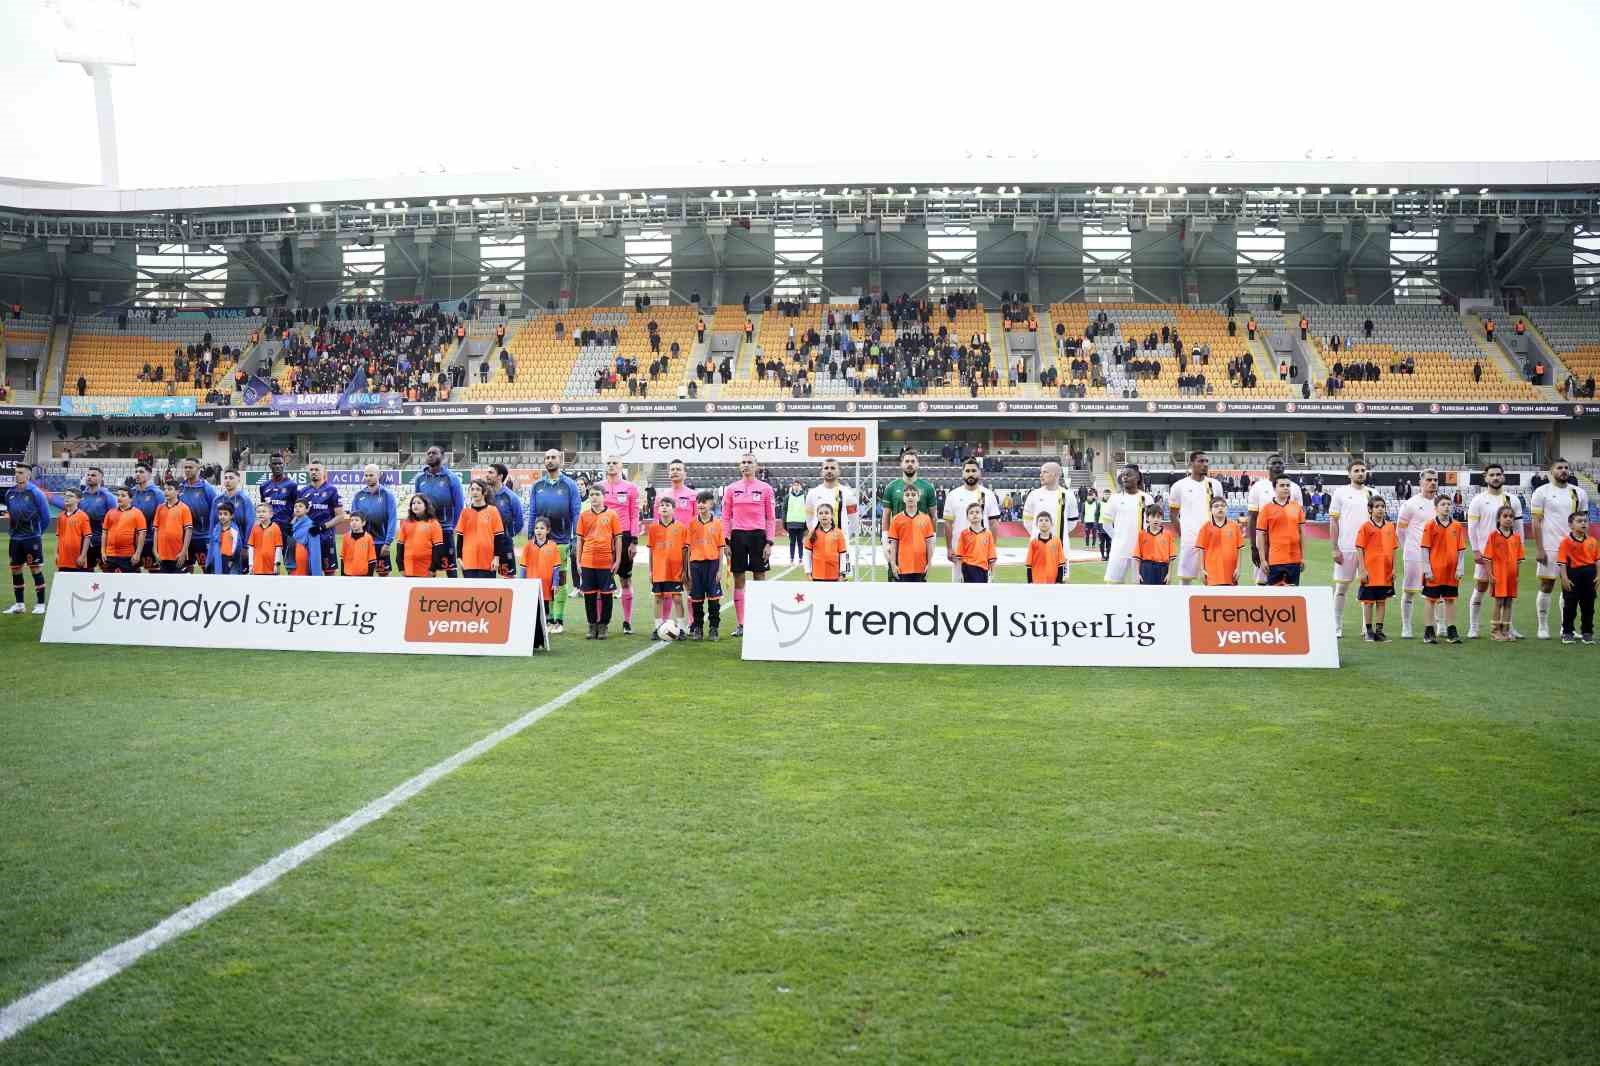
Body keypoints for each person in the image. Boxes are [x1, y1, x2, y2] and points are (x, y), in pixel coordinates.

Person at [1529, 458, 1590, 640]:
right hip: (1550, 547)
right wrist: (1539, 549)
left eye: (1566, 468)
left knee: (1569, 588)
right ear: (1551, 471)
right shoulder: (1541, 492)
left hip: (1574, 548)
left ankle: (1566, 628)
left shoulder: (1579, 493)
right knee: (1547, 585)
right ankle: (1543, 626)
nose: (1563, 470)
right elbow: (1536, 522)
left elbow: (1583, 522)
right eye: (1559, 468)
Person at [1466, 463, 1524, 639]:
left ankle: (1508, 627)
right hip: (1487, 555)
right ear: (1486, 478)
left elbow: (1519, 528)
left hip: (1508, 557)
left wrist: (1518, 551)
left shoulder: (1513, 500)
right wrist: (1476, 550)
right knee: (1480, 587)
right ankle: (1474, 627)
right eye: (1491, 475)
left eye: (1498, 474)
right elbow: (1472, 528)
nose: (1495, 477)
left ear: (1503, 477)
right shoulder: (1478, 500)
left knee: (1507, 593)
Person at [528, 448, 582, 634]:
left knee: (559, 579)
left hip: (562, 541)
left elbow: (576, 512)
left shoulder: (569, 485)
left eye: (553, 457)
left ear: (561, 461)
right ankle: (548, 618)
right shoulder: (537, 486)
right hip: (540, 542)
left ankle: (558, 620)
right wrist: (531, 536)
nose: (549, 460)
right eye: (547, 458)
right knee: (544, 579)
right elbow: (533, 513)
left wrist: (576, 538)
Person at [721, 452, 776, 634]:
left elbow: (770, 518)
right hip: (737, 536)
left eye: (749, 462)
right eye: (743, 462)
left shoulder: (766, 489)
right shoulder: (731, 489)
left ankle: (760, 622)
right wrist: (726, 541)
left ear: (756, 466)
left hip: (758, 537)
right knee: (739, 579)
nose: (746, 465)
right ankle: (741, 624)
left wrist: (769, 542)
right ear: (740, 466)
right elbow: (725, 517)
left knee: (759, 577)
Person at [1327, 459, 1379, 637]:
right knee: (1342, 588)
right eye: (1356, 470)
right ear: (1349, 474)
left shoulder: (1373, 493)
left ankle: (1367, 627)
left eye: (1363, 470)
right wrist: (1335, 548)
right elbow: (1333, 522)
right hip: (1346, 547)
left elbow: (1377, 523)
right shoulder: (1340, 493)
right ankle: (1336, 626)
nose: (1360, 473)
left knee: (1367, 589)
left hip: (1369, 550)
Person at [1395, 469, 1443, 639]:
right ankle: (1406, 627)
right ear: (1421, 482)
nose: (1433, 482)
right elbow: (1400, 530)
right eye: (1429, 480)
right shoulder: (1410, 504)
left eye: (1435, 480)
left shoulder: (1441, 503)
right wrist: (1407, 548)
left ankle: (1441, 625)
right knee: (1409, 591)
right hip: (1414, 554)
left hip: (1436, 555)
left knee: (1438, 592)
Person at [1167, 451, 1224, 587]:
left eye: (1206, 461)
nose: (1205, 464)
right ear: (1191, 464)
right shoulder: (1179, 486)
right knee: (1186, 578)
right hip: (1190, 538)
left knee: (1211, 576)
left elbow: (1220, 510)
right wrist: (1183, 534)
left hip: (1212, 538)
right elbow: (1173, 514)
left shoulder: (1215, 485)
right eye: (1201, 461)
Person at [574, 484, 622, 640]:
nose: (594, 497)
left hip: (606, 561)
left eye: (597, 494)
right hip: (587, 561)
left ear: (604, 496)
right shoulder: (584, 515)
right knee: (589, 595)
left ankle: (603, 625)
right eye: (592, 495)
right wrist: (578, 561)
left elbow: (618, 539)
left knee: (607, 595)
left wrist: (618, 560)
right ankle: (592, 625)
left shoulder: (612, 515)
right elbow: (579, 540)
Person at [601, 456, 642, 633]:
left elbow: (634, 515)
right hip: (603, 538)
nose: (611, 466)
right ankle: (601, 622)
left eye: (614, 463)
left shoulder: (630, 488)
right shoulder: (599, 487)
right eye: (608, 463)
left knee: (625, 580)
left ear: (621, 466)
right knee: (602, 581)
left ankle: (627, 622)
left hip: (624, 538)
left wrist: (634, 541)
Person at [1246, 455, 1303, 585]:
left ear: (1284, 466)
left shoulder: (1295, 488)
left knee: (1288, 583)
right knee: (1262, 580)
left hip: (1288, 544)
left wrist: (1300, 551)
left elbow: (1299, 522)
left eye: (1280, 463)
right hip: (1264, 542)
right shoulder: (1258, 487)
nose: (1277, 466)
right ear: (1267, 466)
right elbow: (1253, 518)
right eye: (1274, 463)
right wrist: (1254, 547)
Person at [1419, 494, 1467, 644]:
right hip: (1434, 571)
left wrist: (1460, 568)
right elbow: (1425, 549)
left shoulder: (1457, 526)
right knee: (1430, 600)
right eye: (1443, 504)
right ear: (1436, 508)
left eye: (1448, 504)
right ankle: (1429, 631)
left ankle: (1451, 631)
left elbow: (1461, 549)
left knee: (1450, 600)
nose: (1446, 507)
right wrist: (1427, 569)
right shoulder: (1430, 525)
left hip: (1451, 572)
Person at [943, 458, 1001, 580]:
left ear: (979, 473)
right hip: (959, 552)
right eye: (967, 471)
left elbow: (994, 523)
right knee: (959, 586)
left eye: (974, 471)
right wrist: (949, 548)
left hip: (982, 552)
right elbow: (948, 524)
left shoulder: (988, 494)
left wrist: (992, 548)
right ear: (962, 473)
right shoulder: (953, 495)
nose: (970, 474)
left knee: (982, 587)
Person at [881, 449, 939, 570]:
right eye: (907, 461)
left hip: (920, 542)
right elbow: (886, 515)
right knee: (896, 575)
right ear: (901, 464)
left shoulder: (928, 488)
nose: (910, 464)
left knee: (918, 578)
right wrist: (885, 538)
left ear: (918, 464)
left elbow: (933, 516)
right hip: (897, 541)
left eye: (913, 461)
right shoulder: (891, 487)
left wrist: (932, 539)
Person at [414, 446, 465, 578]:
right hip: (425, 529)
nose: (430, 455)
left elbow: (459, 504)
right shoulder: (420, 479)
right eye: (428, 453)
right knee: (427, 567)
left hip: (445, 529)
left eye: (434, 453)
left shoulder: (451, 478)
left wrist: (455, 527)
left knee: (450, 567)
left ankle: (452, 590)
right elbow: (417, 503)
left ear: (442, 457)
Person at [1355, 496, 1398, 642]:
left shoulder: (1390, 527)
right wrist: (1362, 569)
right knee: (1368, 602)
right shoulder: (1365, 527)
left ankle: (1379, 631)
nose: (1380, 509)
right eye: (1377, 506)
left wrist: (1394, 568)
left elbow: (1394, 549)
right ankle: (1368, 631)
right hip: (1371, 571)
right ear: (1370, 509)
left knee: (1382, 601)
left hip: (1385, 572)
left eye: (1382, 506)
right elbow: (1359, 548)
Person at [1480, 505, 1525, 641]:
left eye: (1511, 516)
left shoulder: (1516, 537)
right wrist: (1490, 575)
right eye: (1505, 516)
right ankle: (1495, 631)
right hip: (1499, 575)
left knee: (1509, 602)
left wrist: (1517, 576)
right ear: (1498, 519)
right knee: (1499, 602)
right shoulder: (1493, 536)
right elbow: (1487, 558)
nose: (1508, 519)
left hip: (1511, 576)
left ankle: (1505, 630)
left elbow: (1518, 560)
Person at [646, 495, 689, 638]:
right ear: (658, 509)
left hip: (675, 570)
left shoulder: (681, 528)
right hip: (659, 570)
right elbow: (651, 551)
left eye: (667, 505)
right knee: (658, 598)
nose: (664, 507)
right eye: (662, 505)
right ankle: (658, 628)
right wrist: (651, 571)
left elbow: (685, 551)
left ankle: (681, 629)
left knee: (677, 599)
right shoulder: (653, 528)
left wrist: (685, 570)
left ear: (673, 509)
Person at [687, 489, 727, 641]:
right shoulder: (692, 523)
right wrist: (688, 570)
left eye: (704, 502)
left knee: (713, 599)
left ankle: (713, 628)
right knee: (696, 599)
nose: (701, 505)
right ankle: (697, 628)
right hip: (696, 565)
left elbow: (720, 548)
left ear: (711, 504)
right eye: (699, 502)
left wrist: (720, 570)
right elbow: (688, 548)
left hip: (712, 565)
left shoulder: (717, 523)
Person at [1102, 465, 1151, 584]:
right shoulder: (1114, 499)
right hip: (1119, 549)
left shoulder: (1147, 498)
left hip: (1141, 550)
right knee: (1113, 584)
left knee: (1140, 585)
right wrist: (1118, 538)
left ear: (1137, 477)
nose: (1125, 477)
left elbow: (1151, 525)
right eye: (1123, 475)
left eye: (1128, 475)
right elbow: (1106, 524)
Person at [1021, 461, 1078, 561]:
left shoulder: (1068, 495)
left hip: (1061, 551)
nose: (1041, 475)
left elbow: (1072, 522)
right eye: (1041, 472)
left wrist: (1059, 532)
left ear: (1055, 475)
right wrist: (1039, 533)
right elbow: (1027, 521)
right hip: (1037, 550)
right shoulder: (1033, 495)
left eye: (1045, 472)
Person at [1255, 476, 1305, 586]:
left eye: (1288, 485)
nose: (1286, 488)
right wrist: (1263, 560)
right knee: (1275, 594)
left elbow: (1301, 533)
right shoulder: (1266, 509)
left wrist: (1303, 557)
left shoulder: (1297, 507)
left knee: (1293, 594)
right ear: (1274, 488)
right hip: (1275, 560)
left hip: (1294, 560)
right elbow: (1260, 535)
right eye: (1282, 485)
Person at [349, 465, 398, 575]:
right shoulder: (358, 496)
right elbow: (353, 519)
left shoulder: (387, 495)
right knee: (363, 574)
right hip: (362, 542)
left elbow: (392, 519)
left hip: (381, 543)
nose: (368, 478)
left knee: (383, 574)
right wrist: (352, 540)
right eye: (366, 475)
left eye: (371, 475)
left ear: (379, 475)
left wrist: (388, 543)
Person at [1557, 511, 1597, 644]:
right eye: (1579, 521)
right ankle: (1567, 632)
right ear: (1571, 525)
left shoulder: (1593, 541)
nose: (1583, 523)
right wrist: (1564, 578)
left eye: (1585, 521)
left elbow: (1597, 560)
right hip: (1573, 575)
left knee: (1588, 606)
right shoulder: (1566, 542)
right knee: (1570, 605)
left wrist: (1598, 575)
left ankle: (1587, 633)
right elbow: (1562, 562)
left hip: (1590, 575)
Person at [299, 460, 345, 576]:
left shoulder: (332, 490)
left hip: (326, 538)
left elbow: (340, 516)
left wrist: (322, 527)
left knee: (329, 572)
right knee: (309, 572)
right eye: (311, 470)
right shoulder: (303, 492)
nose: (314, 472)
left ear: (324, 472)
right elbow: (298, 515)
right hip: (309, 538)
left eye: (317, 470)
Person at [456, 479, 509, 579]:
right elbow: (460, 537)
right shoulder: (465, 512)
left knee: (487, 589)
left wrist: (496, 558)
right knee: (471, 589)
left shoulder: (493, 511)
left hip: (487, 561)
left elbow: (498, 537)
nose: (474, 492)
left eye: (478, 489)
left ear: (484, 492)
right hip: (469, 560)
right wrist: (459, 558)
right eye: (472, 489)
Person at [176, 458, 217, 574]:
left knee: (208, 571)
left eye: (191, 467)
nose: (188, 470)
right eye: (186, 467)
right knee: (183, 570)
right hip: (185, 539)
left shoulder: (207, 489)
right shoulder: (180, 488)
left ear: (198, 469)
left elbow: (215, 512)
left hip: (203, 538)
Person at [887, 485, 935, 582]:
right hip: (903, 567)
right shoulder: (896, 519)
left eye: (913, 495)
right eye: (907, 495)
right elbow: (893, 544)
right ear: (903, 498)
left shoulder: (926, 519)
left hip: (921, 566)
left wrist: (929, 563)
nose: (910, 497)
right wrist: (893, 564)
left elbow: (929, 543)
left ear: (918, 498)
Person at [484, 463, 524, 576]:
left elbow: (519, 522)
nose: (487, 475)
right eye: (487, 472)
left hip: (505, 544)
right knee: (486, 578)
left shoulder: (511, 497)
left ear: (500, 476)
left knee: (508, 577)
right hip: (486, 543)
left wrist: (507, 535)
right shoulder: (484, 495)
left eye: (491, 472)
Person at [521, 517, 564, 619]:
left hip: (546, 586)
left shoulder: (553, 546)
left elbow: (556, 568)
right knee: (532, 610)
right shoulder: (528, 546)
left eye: (542, 528)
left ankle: (546, 625)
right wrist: (521, 583)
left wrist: (555, 583)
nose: (538, 530)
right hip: (531, 585)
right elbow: (523, 567)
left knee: (544, 610)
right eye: (536, 528)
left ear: (548, 530)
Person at [1194, 497, 1244, 586]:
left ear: (1226, 508)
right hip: (1212, 573)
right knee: (1213, 594)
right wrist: (1201, 569)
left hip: (1231, 572)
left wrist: (1238, 568)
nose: (1220, 508)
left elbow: (1239, 548)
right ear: (1211, 510)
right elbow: (1200, 549)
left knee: (1230, 594)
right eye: (1216, 506)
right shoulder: (1205, 527)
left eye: (1223, 506)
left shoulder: (1234, 526)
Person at [100, 486, 147, 576]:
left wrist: (137, 553)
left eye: (123, 495)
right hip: (110, 555)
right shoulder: (110, 513)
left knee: (128, 581)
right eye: (118, 495)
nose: (119, 498)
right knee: (109, 581)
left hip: (128, 555)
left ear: (131, 499)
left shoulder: (137, 513)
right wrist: (103, 551)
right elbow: (105, 532)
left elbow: (142, 534)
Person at [398, 494, 446, 578]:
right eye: (413, 503)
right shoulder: (405, 523)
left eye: (419, 503)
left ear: (426, 505)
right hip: (409, 569)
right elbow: (400, 546)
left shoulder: (434, 524)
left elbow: (438, 549)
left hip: (426, 570)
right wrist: (400, 567)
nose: (415, 505)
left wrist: (432, 569)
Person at [129, 462, 165, 571]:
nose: (137, 474)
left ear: (149, 474)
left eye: (141, 472)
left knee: (154, 573)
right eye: (136, 472)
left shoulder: (157, 494)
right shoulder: (131, 493)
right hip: (132, 541)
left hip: (151, 541)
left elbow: (163, 519)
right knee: (131, 573)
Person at [259, 452, 299, 550]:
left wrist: (292, 523)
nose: (277, 466)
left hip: (286, 529)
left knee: (288, 558)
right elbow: (263, 508)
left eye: (280, 463)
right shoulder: (264, 486)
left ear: (284, 465)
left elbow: (298, 508)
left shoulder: (292, 485)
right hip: (268, 528)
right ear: (270, 466)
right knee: (268, 557)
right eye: (274, 464)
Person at [154, 480, 195, 573]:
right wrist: (155, 551)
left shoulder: (184, 508)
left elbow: (188, 531)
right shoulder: (160, 508)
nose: (166, 492)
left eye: (170, 489)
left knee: (178, 580)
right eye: (165, 489)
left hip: (177, 555)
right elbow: (156, 530)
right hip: (162, 555)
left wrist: (183, 552)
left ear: (177, 491)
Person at [954, 502, 997, 583]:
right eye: (971, 513)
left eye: (977, 512)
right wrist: (959, 574)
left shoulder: (988, 534)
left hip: (983, 569)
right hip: (968, 568)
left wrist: (993, 574)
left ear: (982, 515)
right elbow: (960, 556)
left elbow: (992, 557)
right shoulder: (964, 533)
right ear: (967, 517)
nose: (974, 514)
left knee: (981, 590)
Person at [1135, 505, 1177, 585]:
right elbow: (1137, 556)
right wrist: (1137, 573)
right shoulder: (1142, 534)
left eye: (1158, 517)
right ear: (1147, 518)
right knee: (1146, 591)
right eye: (1153, 516)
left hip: (1162, 568)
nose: (1156, 519)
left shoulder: (1168, 534)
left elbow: (1171, 557)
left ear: (1162, 518)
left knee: (1162, 592)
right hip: (1146, 568)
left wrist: (1169, 574)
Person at [52, 487, 91, 573]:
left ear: (78, 499)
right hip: (63, 559)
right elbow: (59, 537)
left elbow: (87, 537)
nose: (67, 498)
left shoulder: (83, 516)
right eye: (65, 496)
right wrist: (56, 553)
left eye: (70, 496)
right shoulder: (61, 516)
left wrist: (83, 556)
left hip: (77, 559)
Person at [807, 503, 849, 582]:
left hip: (834, 576)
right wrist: (808, 573)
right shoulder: (812, 533)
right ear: (817, 516)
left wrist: (842, 574)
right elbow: (807, 555)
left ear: (832, 515)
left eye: (826, 513)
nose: (824, 515)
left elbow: (842, 554)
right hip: (817, 576)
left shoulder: (839, 533)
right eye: (820, 513)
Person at [1026, 511, 1067, 584]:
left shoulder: (1057, 541)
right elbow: (1029, 565)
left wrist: (1059, 582)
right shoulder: (1033, 542)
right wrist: (1030, 582)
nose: (1044, 522)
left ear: (1051, 524)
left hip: (1052, 582)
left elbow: (1060, 564)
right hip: (1037, 582)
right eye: (1041, 520)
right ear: (1036, 524)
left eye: (1046, 520)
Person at [207, 502, 246, 574]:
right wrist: (209, 561)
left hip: (230, 561)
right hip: (218, 559)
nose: (222, 516)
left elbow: (237, 548)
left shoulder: (234, 531)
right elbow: (212, 547)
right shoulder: (216, 529)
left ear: (231, 516)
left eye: (225, 514)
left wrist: (232, 560)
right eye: (220, 514)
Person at [288, 500, 324, 576]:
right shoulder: (292, 525)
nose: (297, 508)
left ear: (307, 509)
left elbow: (315, 553)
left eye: (300, 506)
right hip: (293, 565)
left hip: (303, 566)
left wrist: (316, 575)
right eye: (295, 506)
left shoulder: (312, 527)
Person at [248, 502, 283, 574]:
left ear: (271, 514)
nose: (261, 514)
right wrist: (251, 564)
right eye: (258, 512)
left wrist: (276, 563)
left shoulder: (275, 528)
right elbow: (251, 547)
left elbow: (278, 547)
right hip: (257, 567)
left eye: (264, 511)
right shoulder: (255, 528)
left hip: (271, 567)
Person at [783, 480, 808, 564]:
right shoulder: (787, 497)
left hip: (801, 523)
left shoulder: (804, 497)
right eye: (794, 485)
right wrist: (784, 522)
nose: (796, 486)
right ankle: (791, 558)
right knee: (792, 542)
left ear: (800, 487)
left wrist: (807, 523)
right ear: (792, 486)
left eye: (797, 485)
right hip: (791, 523)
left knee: (800, 542)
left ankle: (801, 558)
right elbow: (784, 510)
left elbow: (808, 510)